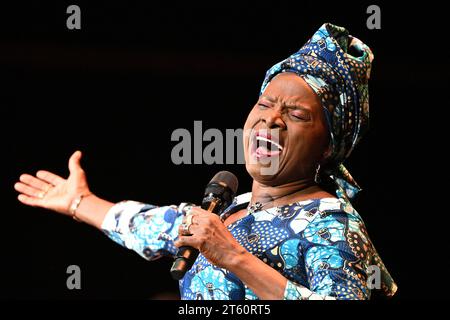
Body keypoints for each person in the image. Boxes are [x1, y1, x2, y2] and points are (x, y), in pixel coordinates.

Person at [14, 23, 397, 300]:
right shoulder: (231, 208)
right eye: (265, 104)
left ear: (328, 146)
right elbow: (145, 225)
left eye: (296, 115)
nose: (271, 119)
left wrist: (235, 258)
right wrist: (79, 201)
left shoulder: (332, 225)